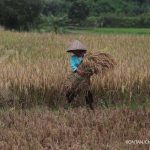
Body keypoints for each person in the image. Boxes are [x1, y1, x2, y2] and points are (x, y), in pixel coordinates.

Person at [65, 40, 94, 109]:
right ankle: (69, 102)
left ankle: (90, 106)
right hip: (77, 74)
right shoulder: (73, 58)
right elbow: (73, 66)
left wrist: (90, 72)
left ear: (80, 50)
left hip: (86, 76)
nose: (75, 52)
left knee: (87, 90)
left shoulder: (86, 56)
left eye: (76, 50)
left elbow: (91, 65)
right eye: (74, 51)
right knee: (72, 88)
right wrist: (78, 71)